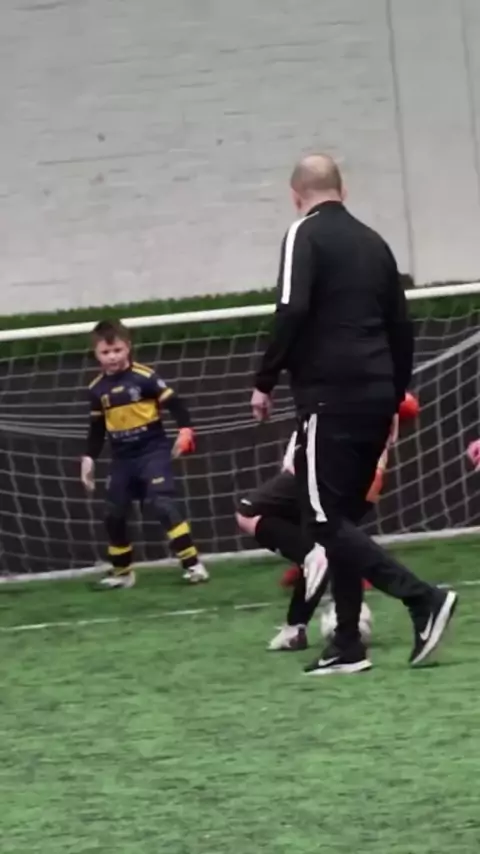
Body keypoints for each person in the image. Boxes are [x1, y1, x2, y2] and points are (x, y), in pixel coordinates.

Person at [250, 154, 457, 674]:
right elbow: (400, 325)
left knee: (321, 518)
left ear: (296, 195)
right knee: (338, 518)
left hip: (331, 395)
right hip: (378, 395)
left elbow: (291, 309)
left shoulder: (302, 234)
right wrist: (394, 391)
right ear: (343, 190)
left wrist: (264, 379)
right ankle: (346, 643)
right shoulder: (374, 242)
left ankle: (423, 598)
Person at [80, 319, 209, 589]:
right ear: (96, 354)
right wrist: (88, 458)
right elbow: (97, 429)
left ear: (128, 347)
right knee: (114, 512)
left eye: (117, 350)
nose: (112, 357)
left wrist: (185, 431)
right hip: (122, 458)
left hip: (152, 451)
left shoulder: (145, 377)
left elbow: (176, 405)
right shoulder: (96, 389)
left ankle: (193, 565)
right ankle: (122, 572)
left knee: (161, 503)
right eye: (106, 352)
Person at [236, 427, 389, 651]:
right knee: (314, 546)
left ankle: (313, 557)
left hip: (312, 470)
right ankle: (295, 629)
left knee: (247, 513)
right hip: (332, 474)